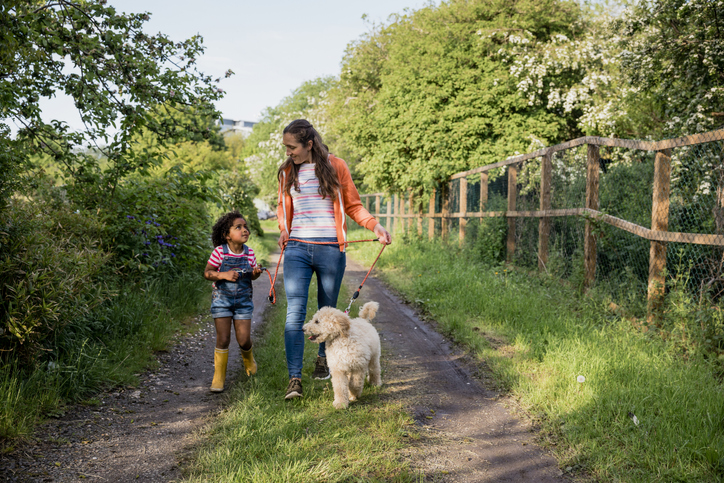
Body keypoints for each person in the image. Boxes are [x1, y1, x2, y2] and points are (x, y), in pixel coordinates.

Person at [277, 119, 391, 400]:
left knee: (326, 312)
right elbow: (283, 206)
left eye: (292, 147)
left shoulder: (336, 166)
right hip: (297, 249)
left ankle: (322, 358)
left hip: (330, 249)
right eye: (286, 147)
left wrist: (375, 226)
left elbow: (353, 205)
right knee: (295, 313)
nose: (288, 152)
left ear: (309, 144)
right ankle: (294, 379)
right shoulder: (286, 171)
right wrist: (283, 229)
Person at [204, 211, 262, 392]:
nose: (244, 230)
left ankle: (249, 360)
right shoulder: (219, 252)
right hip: (222, 300)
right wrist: (223, 274)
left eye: (245, 226)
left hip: (243, 302)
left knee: (244, 340)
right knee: (223, 339)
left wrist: (255, 274)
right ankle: (219, 377)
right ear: (227, 235)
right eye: (238, 227)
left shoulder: (249, 253)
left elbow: (250, 277)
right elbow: (207, 273)